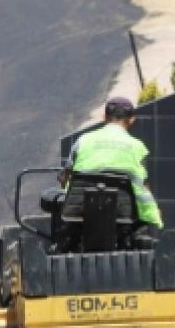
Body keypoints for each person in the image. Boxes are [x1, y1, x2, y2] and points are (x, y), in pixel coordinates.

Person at [62, 97, 163, 229]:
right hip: (123, 214)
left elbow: (66, 178)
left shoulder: (83, 141)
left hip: (77, 211)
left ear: (104, 117)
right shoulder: (138, 147)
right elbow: (143, 188)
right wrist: (154, 213)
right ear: (132, 120)